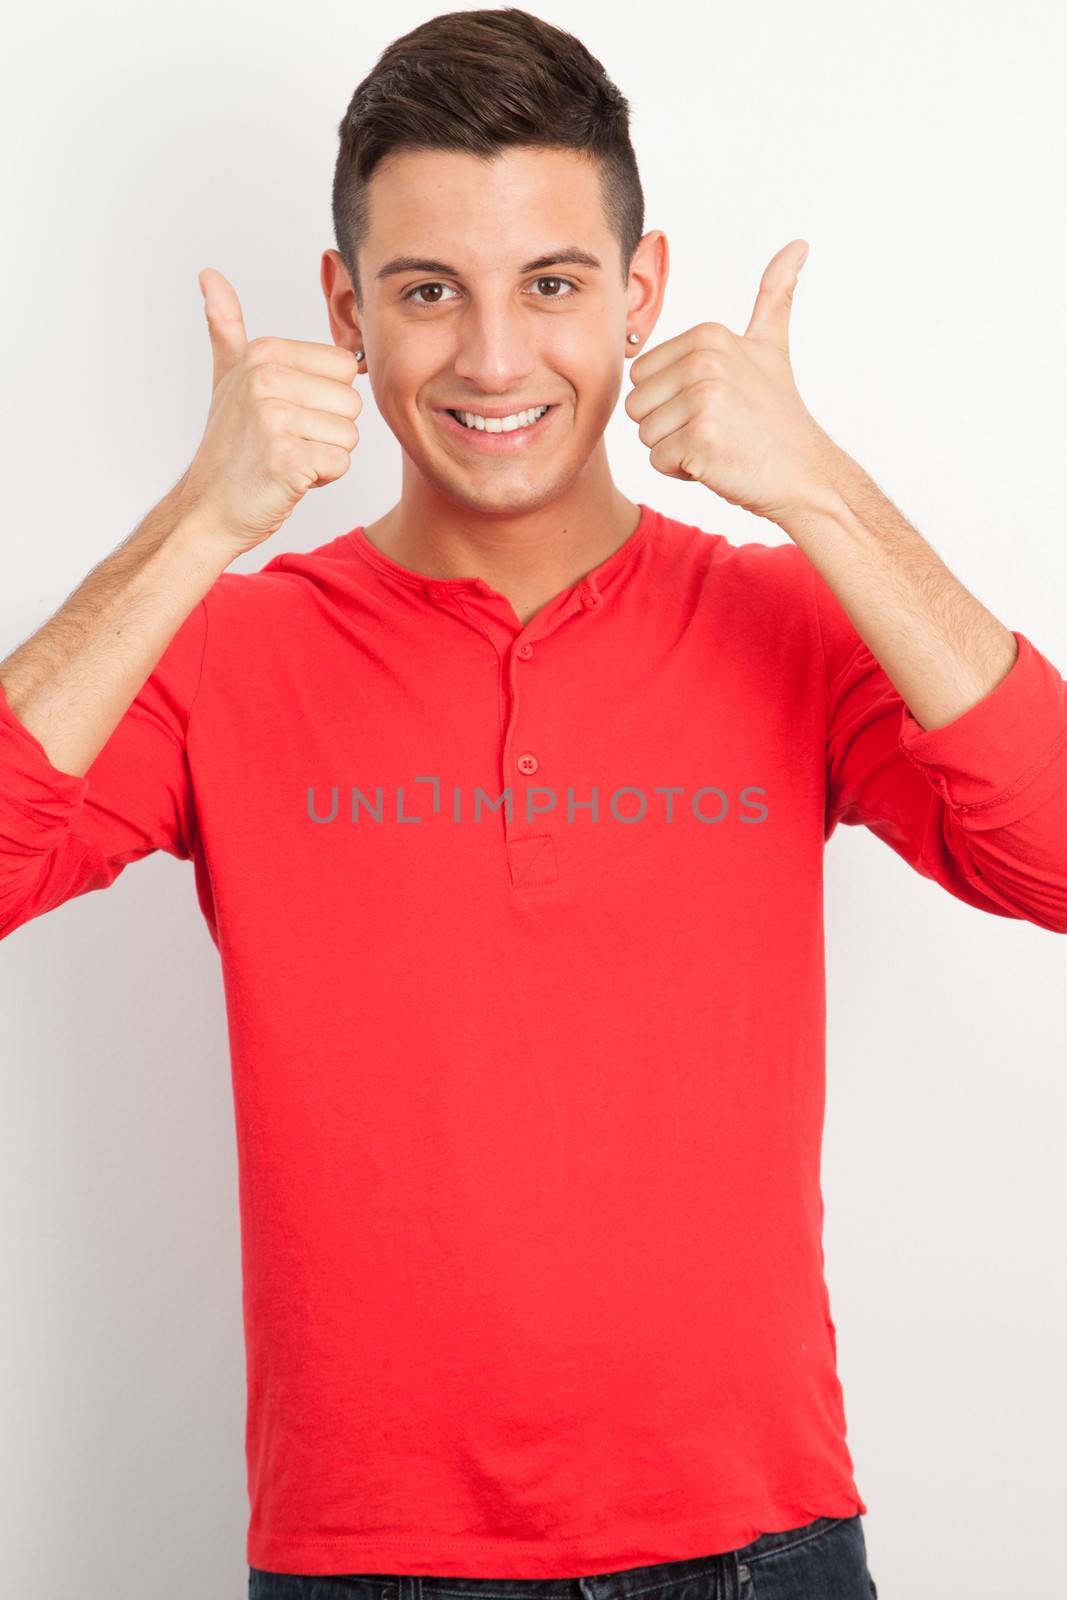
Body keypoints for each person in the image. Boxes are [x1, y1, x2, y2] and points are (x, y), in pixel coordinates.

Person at [2, 7, 1064, 1598]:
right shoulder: (226, 647)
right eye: (430, 292)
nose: (495, 360)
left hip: (757, 1550)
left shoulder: (790, 618)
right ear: (345, 310)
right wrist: (197, 523)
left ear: (639, 295)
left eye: (552, 285)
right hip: (365, 1563)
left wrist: (820, 486)